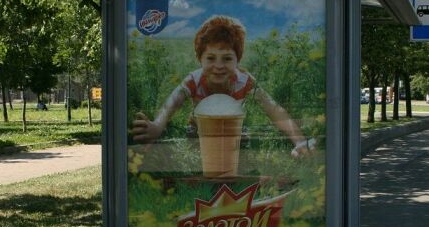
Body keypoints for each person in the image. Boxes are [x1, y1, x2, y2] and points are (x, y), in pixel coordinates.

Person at [131, 15, 314, 157]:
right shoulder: (194, 80)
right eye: (211, 58)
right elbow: (172, 103)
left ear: (237, 60)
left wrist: (299, 141)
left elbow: (274, 109)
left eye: (227, 58)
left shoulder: (244, 80)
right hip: (199, 133)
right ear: (200, 59)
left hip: (232, 132)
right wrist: (157, 125)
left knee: (240, 158)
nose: (218, 66)